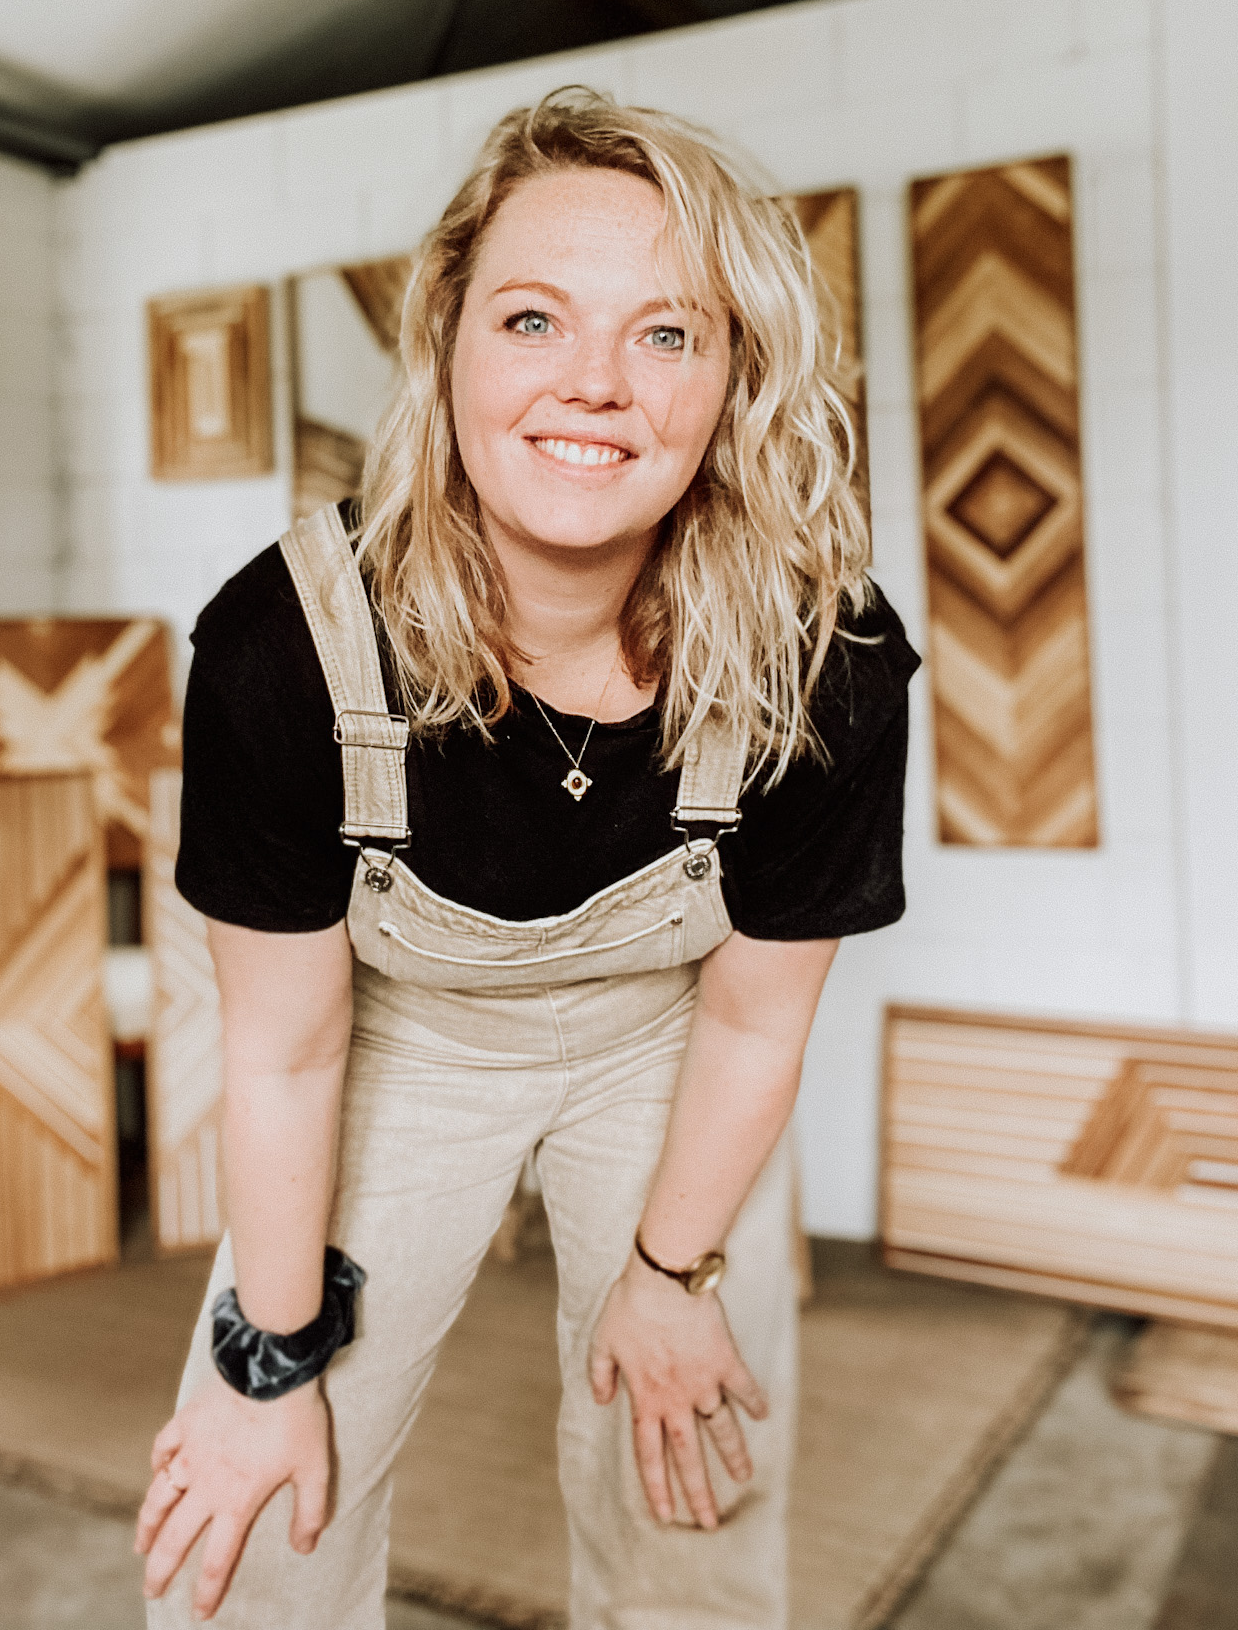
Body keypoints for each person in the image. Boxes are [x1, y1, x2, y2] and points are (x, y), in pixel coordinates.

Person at [137, 89, 918, 1630]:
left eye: (668, 334)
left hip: (672, 1047)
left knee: (691, 1488)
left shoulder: (828, 653)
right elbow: (285, 1053)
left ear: (735, 382)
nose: (595, 383)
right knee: (254, 1528)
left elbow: (756, 1020)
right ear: (448, 344)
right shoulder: (284, 646)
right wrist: (270, 1364)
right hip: (392, 1049)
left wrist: (673, 1279)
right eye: (534, 318)